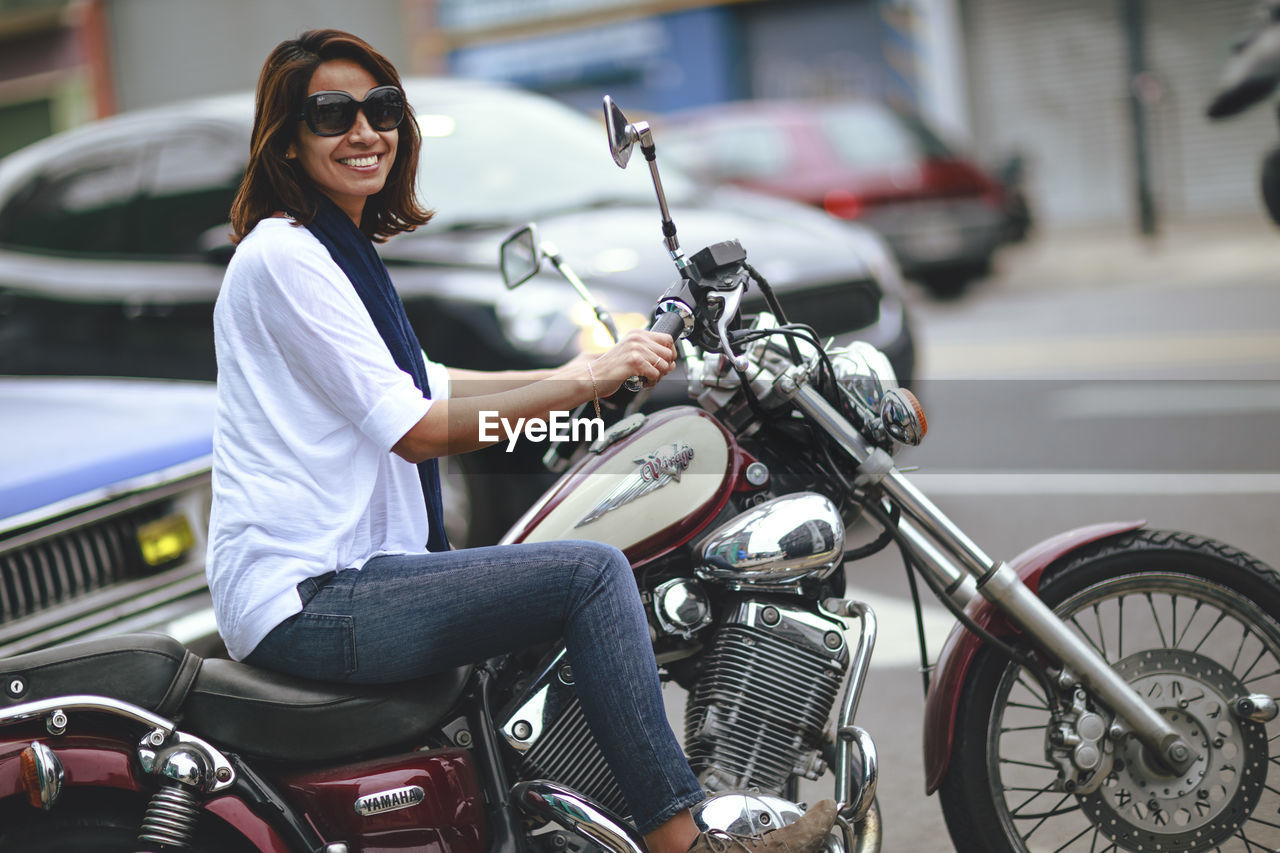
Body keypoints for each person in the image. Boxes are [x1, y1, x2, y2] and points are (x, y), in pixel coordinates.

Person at [206, 28, 837, 853]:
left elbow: (429, 382)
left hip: (349, 578)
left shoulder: (335, 248)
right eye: (332, 114)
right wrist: (577, 382)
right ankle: (683, 839)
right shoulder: (284, 257)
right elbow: (419, 430)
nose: (364, 131)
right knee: (589, 572)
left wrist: (591, 373)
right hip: (313, 596)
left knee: (567, 565)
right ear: (288, 138)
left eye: (382, 108)